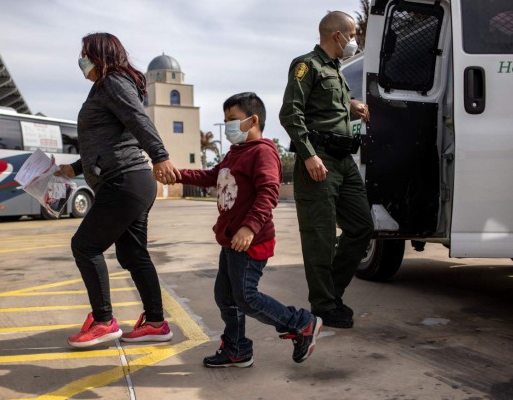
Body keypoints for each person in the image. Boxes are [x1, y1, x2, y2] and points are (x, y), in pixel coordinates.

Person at [178, 92, 322, 367]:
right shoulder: (235, 153)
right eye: (225, 120)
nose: (228, 125)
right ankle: (237, 349)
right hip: (231, 241)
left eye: (232, 119)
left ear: (252, 120)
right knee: (226, 297)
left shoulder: (263, 152)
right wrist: (178, 174)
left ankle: (301, 323)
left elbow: (269, 193)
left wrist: (249, 228)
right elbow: (212, 176)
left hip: (250, 241)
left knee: (246, 297)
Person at [57, 32, 180, 348]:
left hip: (124, 180)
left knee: (85, 245)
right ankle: (155, 323)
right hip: (129, 180)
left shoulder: (113, 81)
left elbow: (138, 119)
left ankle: (103, 321)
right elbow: (106, 139)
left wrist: (161, 156)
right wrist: (74, 168)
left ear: (100, 55)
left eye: (86, 54)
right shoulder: (104, 87)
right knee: (132, 253)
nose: (81, 61)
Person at [279, 12, 374, 329]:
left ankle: (331, 293)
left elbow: (329, 104)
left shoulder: (336, 70)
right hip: (318, 159)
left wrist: (353, 104)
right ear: (337, 35)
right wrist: (307, 155)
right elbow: (290, 113)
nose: (355, 39)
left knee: (361, 226)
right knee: (319, 236)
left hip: (344, 161)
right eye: (353, 34)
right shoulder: (306, 65)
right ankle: (324, 306)